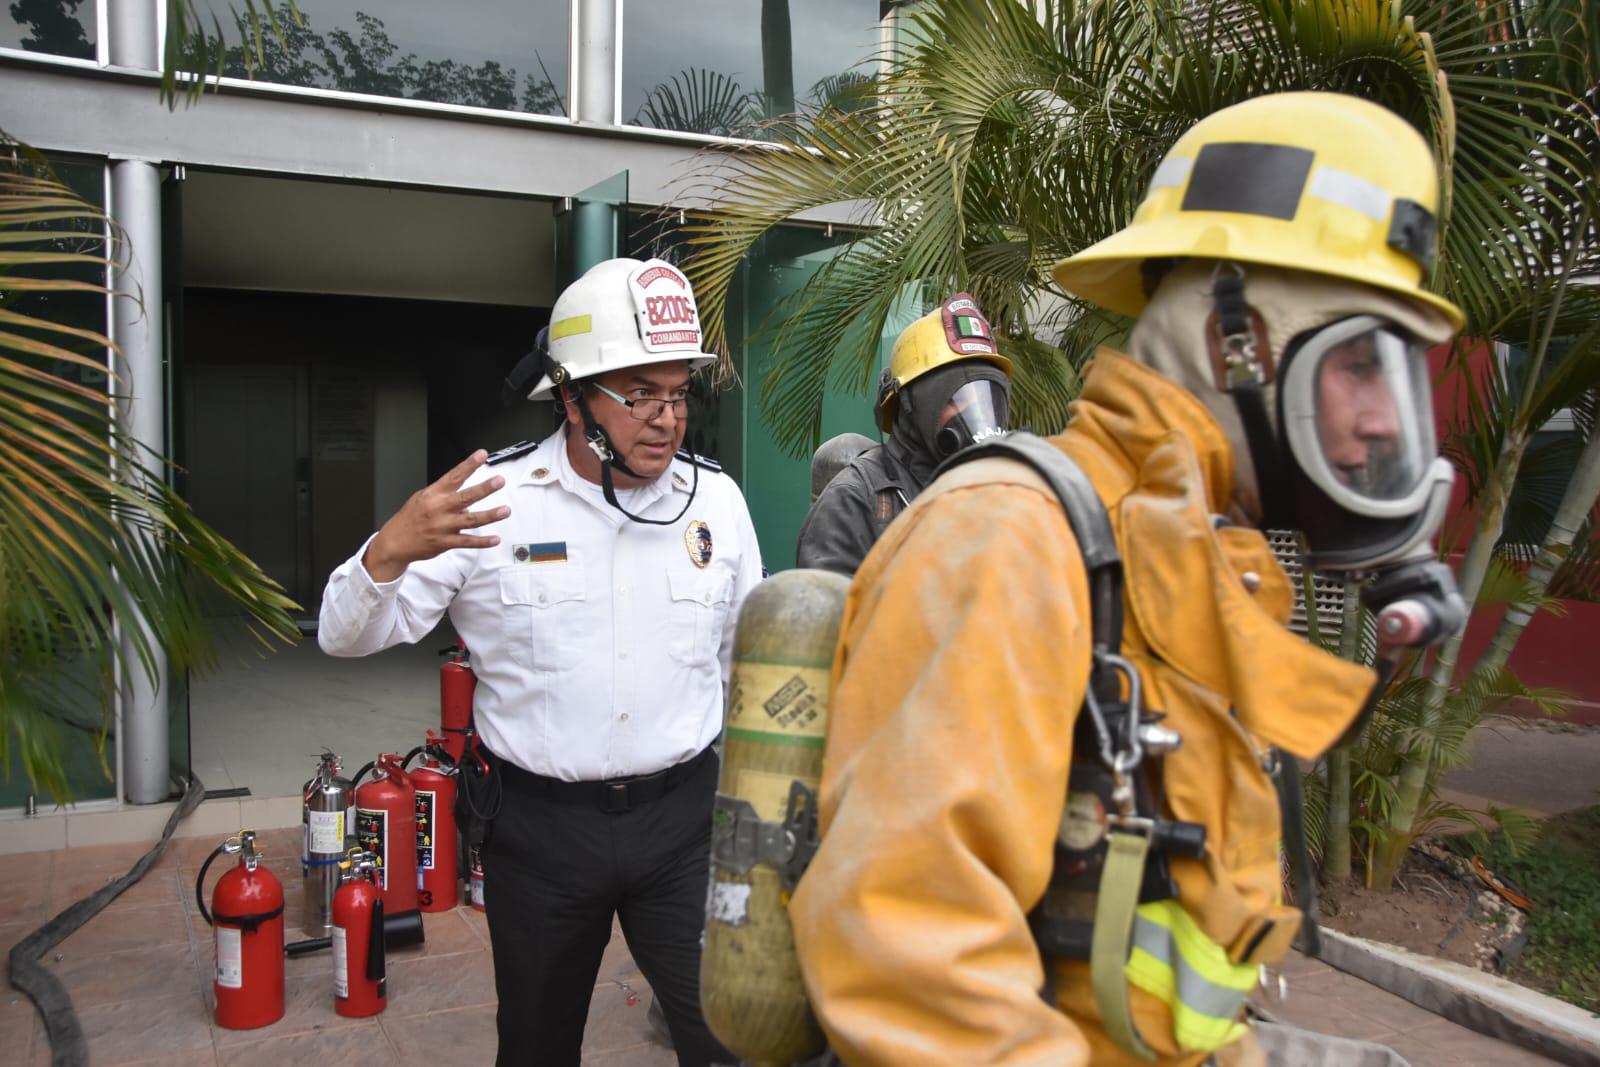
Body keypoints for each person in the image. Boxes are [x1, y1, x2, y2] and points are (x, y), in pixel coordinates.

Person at [787, 92, 1464, 1066]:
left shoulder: (1191, 548)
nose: (1381, 422)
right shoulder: (1010, 539)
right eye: (1359, 363)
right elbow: (910, 963)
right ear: (1236, 341)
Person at [318, 257, 761, 1067]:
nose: (667, 419)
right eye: (641, 395)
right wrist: (388, 549)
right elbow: (343, 634)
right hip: (541, 836)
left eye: (677, 393)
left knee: (730, 1038)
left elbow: (746, 665)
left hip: (684, 828)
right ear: (571, 396)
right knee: (535, 1046)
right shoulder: (494, 502)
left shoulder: (718, 505)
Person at [794, 293, 1012, 574]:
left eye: (986, 399)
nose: (976, 413)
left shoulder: (1000, 490)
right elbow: (828, 613)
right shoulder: (853, 500)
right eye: (957, 399)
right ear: (911, 405)